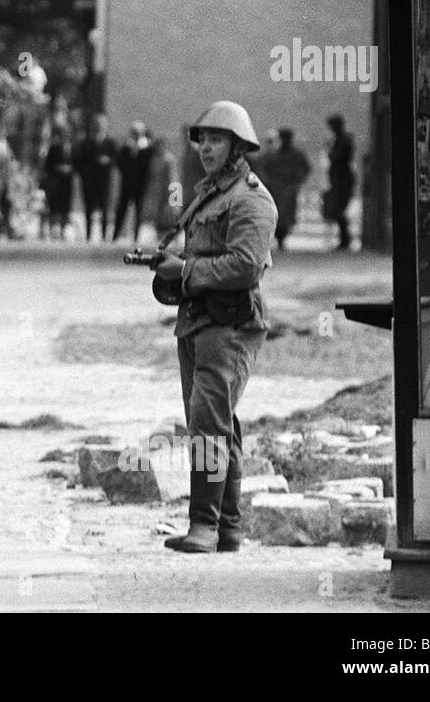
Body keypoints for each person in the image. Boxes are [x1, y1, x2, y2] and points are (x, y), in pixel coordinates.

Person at [153, 100, 276, 553]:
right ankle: (227, 528)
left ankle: (203, 526)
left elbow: (245, 266)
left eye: (216, 139)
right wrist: (168, 263)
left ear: (238, 145)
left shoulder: (251, 199)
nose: (206, 147)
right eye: (202, 138)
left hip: (231, 326)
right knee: (216, 423)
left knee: (208, 425)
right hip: (199, 321)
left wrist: (183, 272)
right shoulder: (209, 193)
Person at [261, 128, 313, 251]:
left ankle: (281, 238)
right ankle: (279, 237)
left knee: (286, 216)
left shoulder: (297, 154)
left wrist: (298, 180)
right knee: (277, 215)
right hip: (276, 189)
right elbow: (265, 168)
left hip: (289, 188)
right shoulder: (274, 155)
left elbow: (306, 168)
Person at [74, 114, 117, 242]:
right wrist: (84, 174)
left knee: (104, 207)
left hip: (104, 180)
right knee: (89, 208)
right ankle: (88, 235)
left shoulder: (110, 142)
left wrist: (107, 161)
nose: (99, 126)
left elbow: (116, 159)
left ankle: (104, 236)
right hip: (89, 180)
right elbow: (79, 161)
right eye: (97, 124)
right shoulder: (86, 142)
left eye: (101, 124)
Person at [112, 120, 153, 242]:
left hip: (140, 184)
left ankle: (136, 236)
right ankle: (115, 235)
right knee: (121, 209)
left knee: (138, 211)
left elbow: (148, 166)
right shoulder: (126, 147)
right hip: (127, 183)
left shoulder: (147, 147)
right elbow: (120, 163)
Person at [323, 113, 356, 250]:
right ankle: (344, 239)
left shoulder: (343, 141)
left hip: (342, 179)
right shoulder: (340, 140)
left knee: (339, 209)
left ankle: (345, 239)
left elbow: (337, 157)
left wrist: (330, 151)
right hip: (338, 179)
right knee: (338, 209)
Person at [142, 133, 181, 241]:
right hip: (157, 192)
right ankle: (160, 236)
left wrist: (174, 197)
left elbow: (173, 179)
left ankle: (173, 237)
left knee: (170, 217)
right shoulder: (154, 160)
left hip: (169, 192)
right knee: (159, 216)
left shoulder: (169, 159)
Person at [40, 125, 75, 239]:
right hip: (56, 182)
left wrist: (70, 169)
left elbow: (78, 162)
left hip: (67, 182)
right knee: (54, 205)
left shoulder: (73, 148)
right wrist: (58, 168)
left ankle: (63, 229)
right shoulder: (54, 147)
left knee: (66, 205)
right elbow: (48, 165)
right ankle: (53, 229)